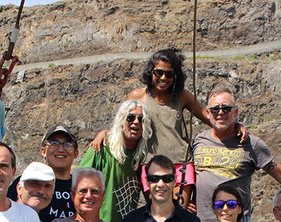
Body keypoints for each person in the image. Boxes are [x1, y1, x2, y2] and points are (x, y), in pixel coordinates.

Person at [91, 48, 237, 207]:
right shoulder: (138, 96)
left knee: (178, 215)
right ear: (150, 71)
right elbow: (124, 123)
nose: (163, 78)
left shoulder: (182, 96)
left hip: (181, 164)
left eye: (169, 74)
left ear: (176, 76)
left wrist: (236, 127)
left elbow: (211, 118)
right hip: (150, 165)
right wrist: (105, 133)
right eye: (158, 72)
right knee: (158, 214)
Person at [191, 87, 281, 222]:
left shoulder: (251, 143)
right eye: (215, 109)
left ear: (235, 112)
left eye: (226, 108)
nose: (221, 112)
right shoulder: (198, 140)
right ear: (208, 113)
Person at [80, 100, 152, 222]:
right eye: (130, 118)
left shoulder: (143, 157)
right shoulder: (101, 148)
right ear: (121, 121)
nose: (136, 122)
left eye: (141, 119)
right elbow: (78, 184)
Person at [8, 125, 78, 222]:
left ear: (76, 153)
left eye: (67, 144)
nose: (61, 149)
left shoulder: (82, 187)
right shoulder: (26, 181)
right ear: (43, 151)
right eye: (54, 143)